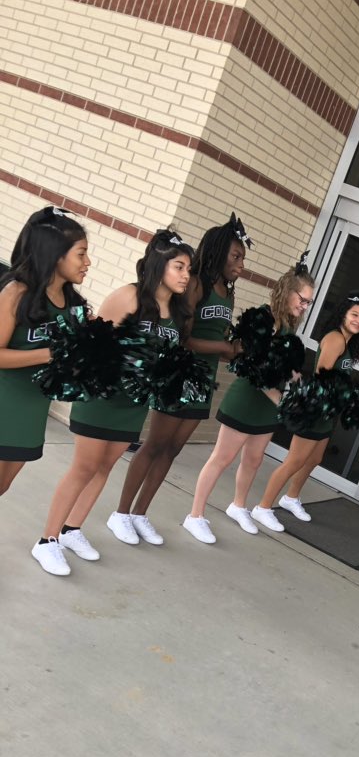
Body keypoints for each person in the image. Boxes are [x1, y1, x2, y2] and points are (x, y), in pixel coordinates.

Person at [32, 230, 192, 575]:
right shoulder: (128, 296)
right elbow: (96, 344)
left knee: (104, 468)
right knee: (84, 467)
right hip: (103, 395)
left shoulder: (177, 311)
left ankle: (72, 530)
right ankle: (46, 540)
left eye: (188, 270)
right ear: (159, 264)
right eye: (179, 267)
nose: (185, 275)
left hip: (134, 405)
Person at [109, 215, 250, 546]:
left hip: (203, 380)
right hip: (178, 373)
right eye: (236, 257)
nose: (241, 266)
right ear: (217, 252)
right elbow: (183, 339)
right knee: (155, 445)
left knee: (172, 450)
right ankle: (121, 513)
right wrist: (222, 347)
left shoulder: (227, 294)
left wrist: (235, 351)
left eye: (243, 259)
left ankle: (140, 514)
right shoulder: (196, 284)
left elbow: (219, 341)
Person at [182, 257, 314, 543]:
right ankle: (195, 516)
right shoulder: (263, 320)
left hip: (267, 407)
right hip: (245, 401)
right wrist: (279, 398)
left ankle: (238, 506)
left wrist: (296, 379)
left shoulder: (289, 325)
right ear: (287, 291)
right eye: (303, 300)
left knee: (253, 460)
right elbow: (252, 368)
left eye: (308, 303)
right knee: (221, 459)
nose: (304, 306)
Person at [251, 292, 359, 532]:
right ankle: (262, 507)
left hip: (328, 411)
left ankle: (291, 498)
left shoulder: (346, 342)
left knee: (314, 459)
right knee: (294, 461)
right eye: (354, 314)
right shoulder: (335, 338)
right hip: (315, 409)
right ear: (342, 314)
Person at [0, 208, 89, 502]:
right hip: (5, 403)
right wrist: (49, 354)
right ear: (56, 254)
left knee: (3, 486)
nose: (87, 263)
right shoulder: (16, 292)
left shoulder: (74, 304)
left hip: (33, 410)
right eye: (81, 254)